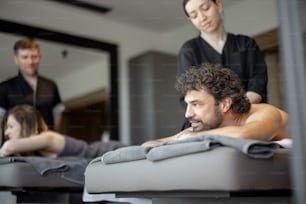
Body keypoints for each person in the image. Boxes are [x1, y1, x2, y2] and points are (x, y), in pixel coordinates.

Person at [142, 63, 287, 146]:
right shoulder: (209, 125)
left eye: (196, 104)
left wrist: (191, 136)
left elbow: (244, 135)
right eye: (188, 105)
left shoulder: (267, 113)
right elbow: (151, 144)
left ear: (224, 104)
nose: (188, 114)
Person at [178, 0, 268, 129]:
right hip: (205, 124)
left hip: (248, 118)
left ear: (218, 5)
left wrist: (234, 112)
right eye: (194, 15)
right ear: (190, 20)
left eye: (205, 8)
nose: (202, 17)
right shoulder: (189, 50)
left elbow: (257, 85)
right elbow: (189, 95)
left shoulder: (247, 44)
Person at [0, 105, 125, 157]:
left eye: (10, 127)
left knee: (143, 150)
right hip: (100, 157)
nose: (6, 133)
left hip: (107, 151)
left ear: (27, 125)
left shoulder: (47, 137)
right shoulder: (35, 148)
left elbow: (9, 147)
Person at [0, 37, 64, 133]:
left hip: (45, 142)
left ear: (39, 57)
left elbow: (57, 114)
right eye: (25, 57)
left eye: (34, 57)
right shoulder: (4, 87)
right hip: (17, 144)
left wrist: (52, 136)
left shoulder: (51, 85)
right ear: (16, 59)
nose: (30, 62)